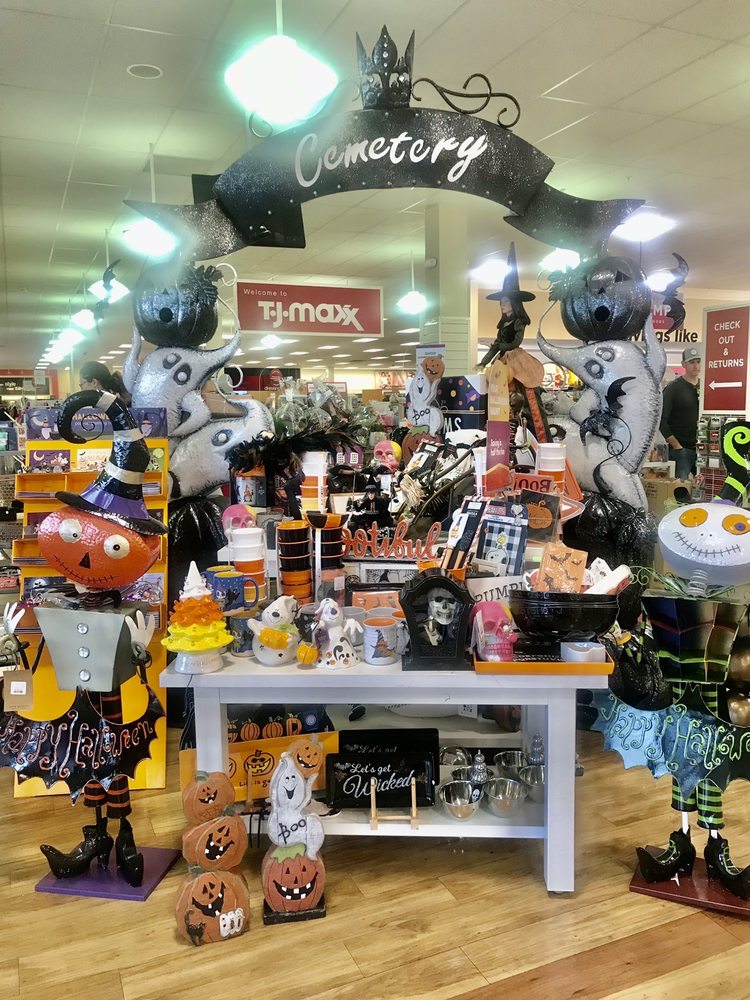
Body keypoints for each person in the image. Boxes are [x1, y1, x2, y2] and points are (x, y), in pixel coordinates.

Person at [659, 346, 700, 480]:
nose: (696, 366)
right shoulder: (673, 388)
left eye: (698, 362)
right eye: (691, 362)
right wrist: (677, 446)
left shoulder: (704, 387)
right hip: (681, 450)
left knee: (706, 487)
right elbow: (661, 420)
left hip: (701, 450)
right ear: (683, 364)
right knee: (680, 488)